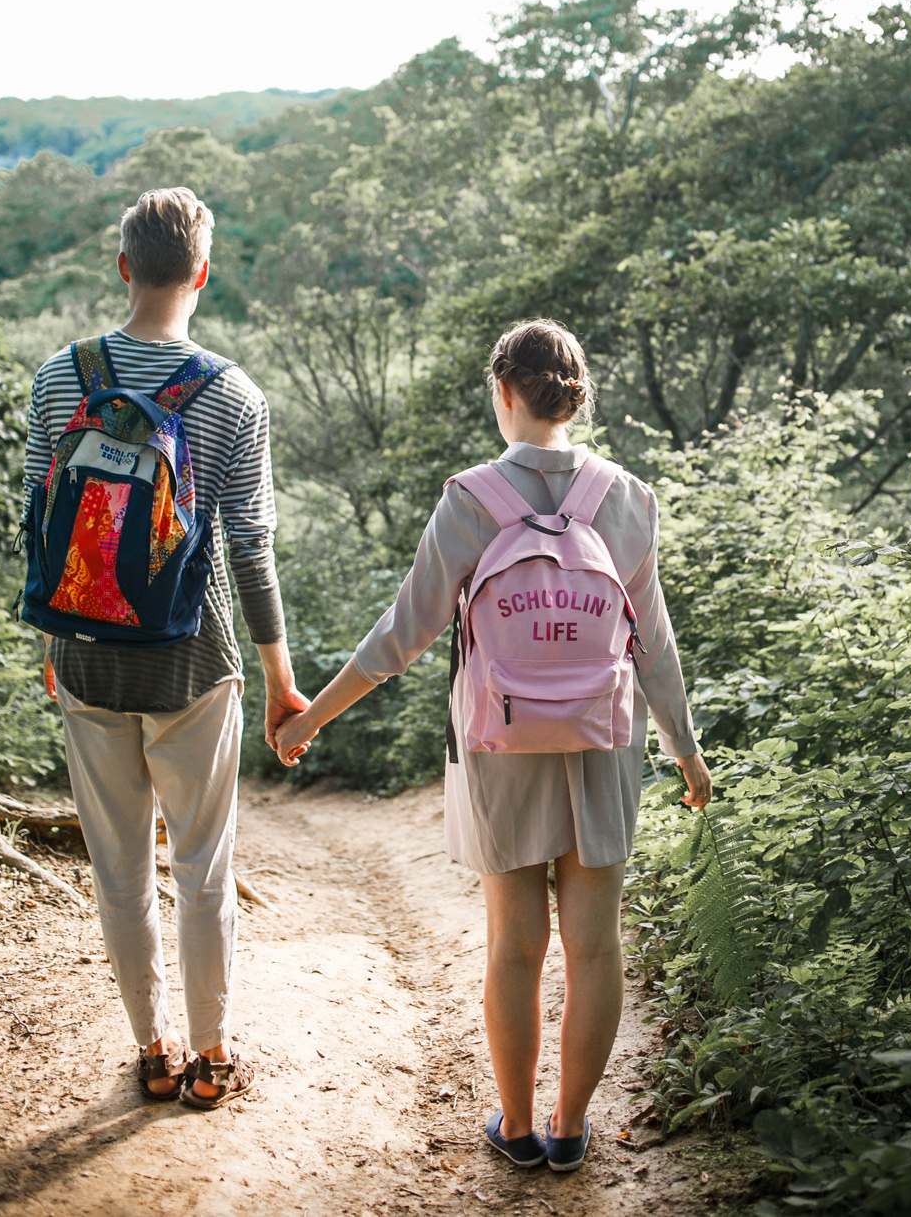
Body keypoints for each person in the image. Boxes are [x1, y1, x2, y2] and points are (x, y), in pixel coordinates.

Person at [270, 319, 711, 1170]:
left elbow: (401, 636)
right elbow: (653, 642)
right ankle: (573, 1128)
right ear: (575, 397)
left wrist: (312, 716)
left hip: (499, 741)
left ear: (504, 393)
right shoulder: (627, 497)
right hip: (606, 739)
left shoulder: (473, 498)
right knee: (596, 944)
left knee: (515, 943)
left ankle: (516, 1127)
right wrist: (685, 750)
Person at [23, 187, 308, 1108]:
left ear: (122, 268)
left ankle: (150, 1045)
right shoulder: (234, 396)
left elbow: (39, 527)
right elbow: (250, 551)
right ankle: (212, 1054)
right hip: (193, 662)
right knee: (201, 864)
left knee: (118, 868)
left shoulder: (58, 378)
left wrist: (57, 637)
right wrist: (278, 677)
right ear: (201, 273)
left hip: (87, 657)